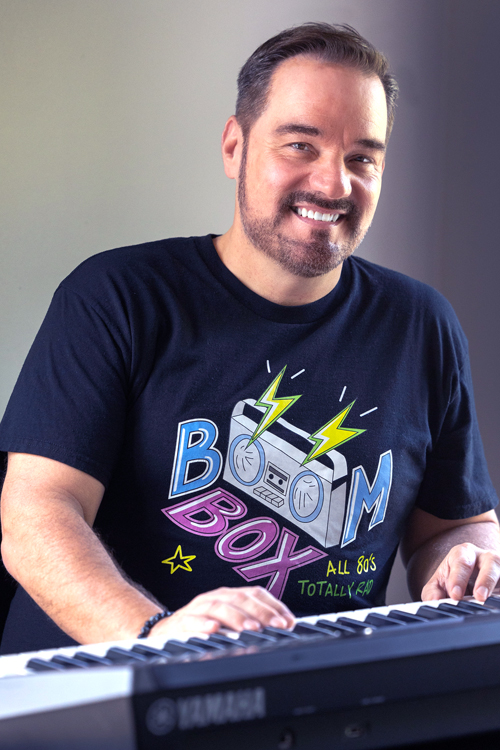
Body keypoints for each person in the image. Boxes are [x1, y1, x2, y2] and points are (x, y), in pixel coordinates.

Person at [1, 22, 499, 656]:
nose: (334, 184)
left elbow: (455, 528)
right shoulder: (117, 297)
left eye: (362, 158)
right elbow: (34, 515)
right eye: (300, 145)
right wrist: (158, 636)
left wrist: (468, 560)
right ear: (234, 147)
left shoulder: (420, 324)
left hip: (318, 691)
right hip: (103, 683)